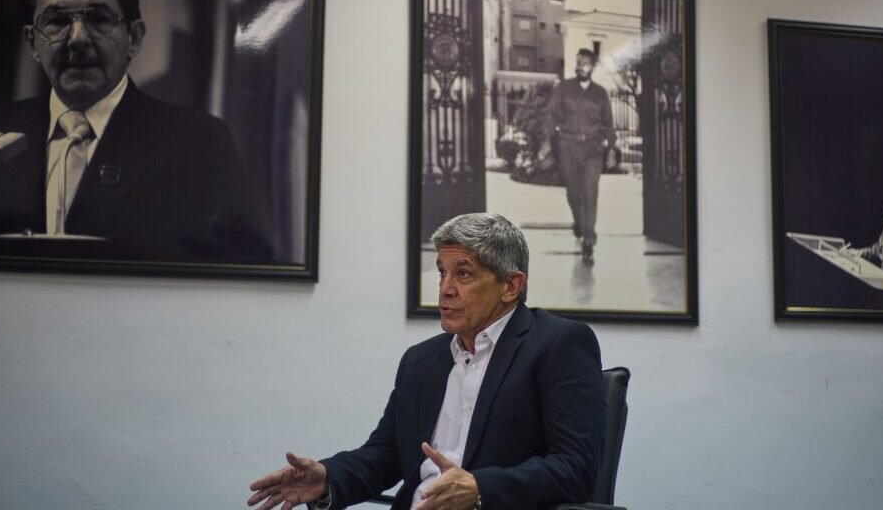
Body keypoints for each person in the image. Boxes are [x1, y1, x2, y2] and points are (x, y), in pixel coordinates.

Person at [248, 213, 606, 510]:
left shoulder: (557, 345)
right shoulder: (421, 361)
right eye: (442, 272)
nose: (445, 288)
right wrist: (327, 478)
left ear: (511, 285)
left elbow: (575, 468)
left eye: (463, 273)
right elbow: (385, 455)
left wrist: (479, 489)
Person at [0, 0, 252, 261]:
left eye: (99, 19)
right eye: (57, 21)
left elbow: (230, 265)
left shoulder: (199, 143)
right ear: (33, 43)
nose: (77, 38)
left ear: (134, 38)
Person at [547, 48, 615, 265]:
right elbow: (552, 116)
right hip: (568, 146)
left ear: (592, 67)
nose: (580, 66)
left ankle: (588, 239)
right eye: (578, 62)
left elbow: (609, 124)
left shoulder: (601, 93)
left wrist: (612, 148)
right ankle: (578, 221)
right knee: (573, 193)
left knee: (590, 193)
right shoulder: (563, 88)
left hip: (593, 149)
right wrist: (547, 144)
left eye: (585, 62)